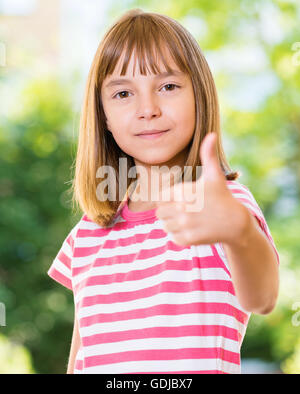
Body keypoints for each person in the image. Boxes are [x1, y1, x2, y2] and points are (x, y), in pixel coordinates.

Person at [47, 8, 280, 374]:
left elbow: (262, 298)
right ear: (104, 115)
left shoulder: (223, 208)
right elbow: (82, 357)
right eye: (123, 93)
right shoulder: (87, 234)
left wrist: (241, 233)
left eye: (168, 87)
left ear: (199, 95)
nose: (147, 109)